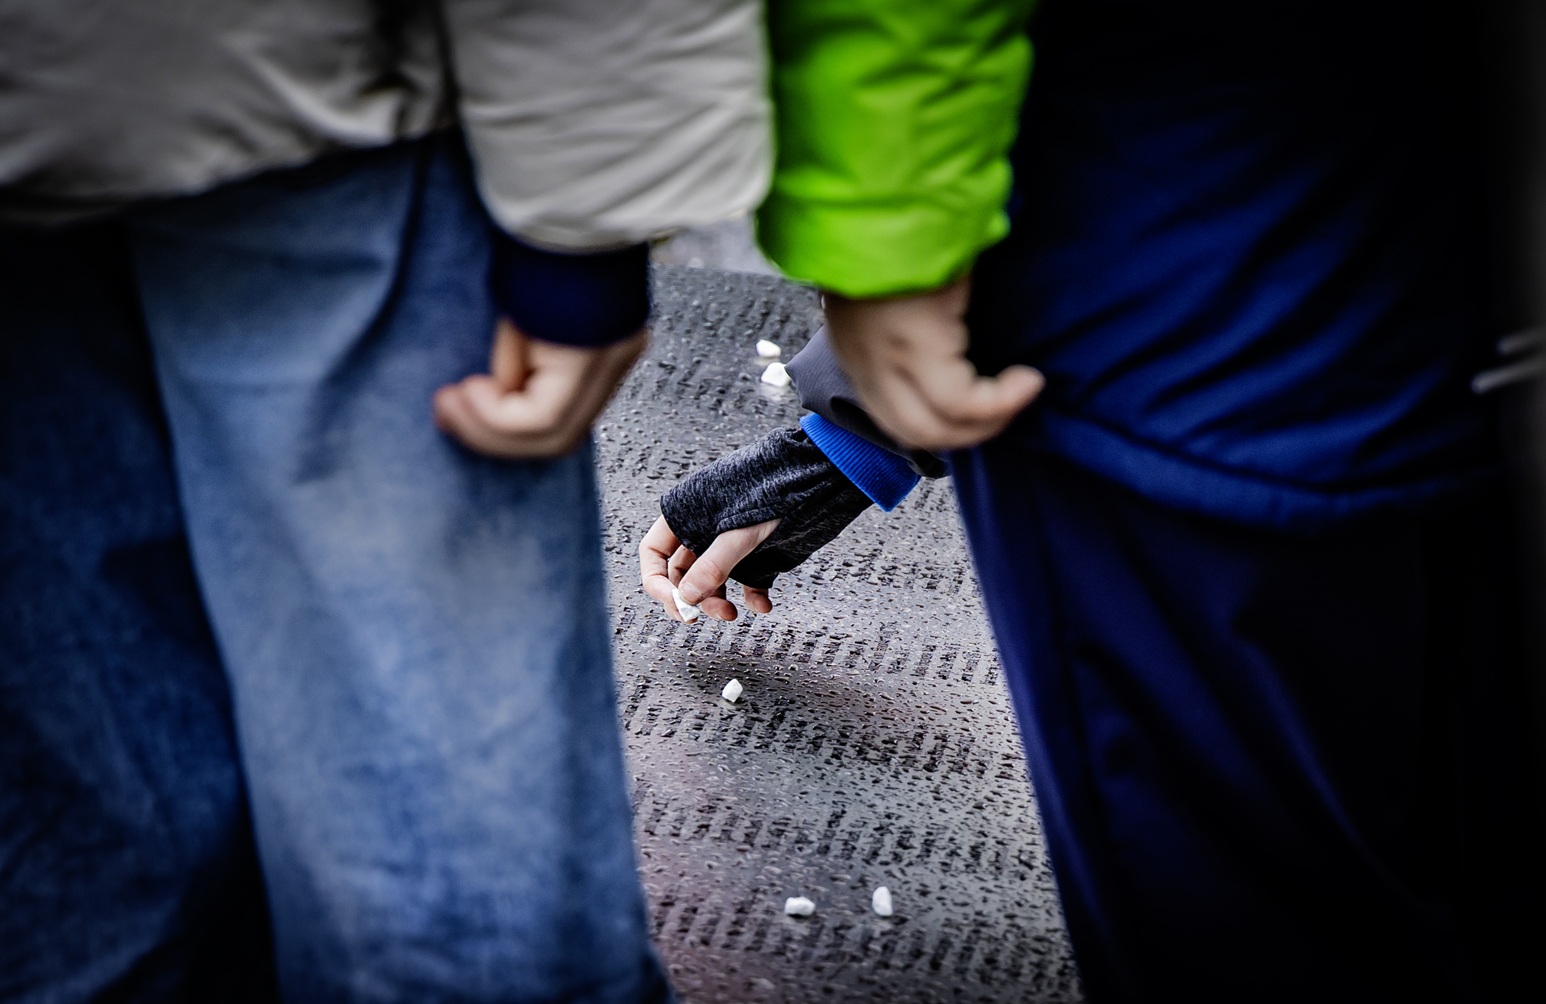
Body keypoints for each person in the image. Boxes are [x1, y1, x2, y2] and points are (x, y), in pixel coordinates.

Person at [641, 1, 1546, 1000]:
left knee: (1254, 931)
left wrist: (885, 280)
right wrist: (852, 436)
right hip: (1451, 307)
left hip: (1192, 351)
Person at [0, 1, 769, 999]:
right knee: (445, 890)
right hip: (329, 93)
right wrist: (585, 207)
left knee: (95, 873)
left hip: (295, 108)